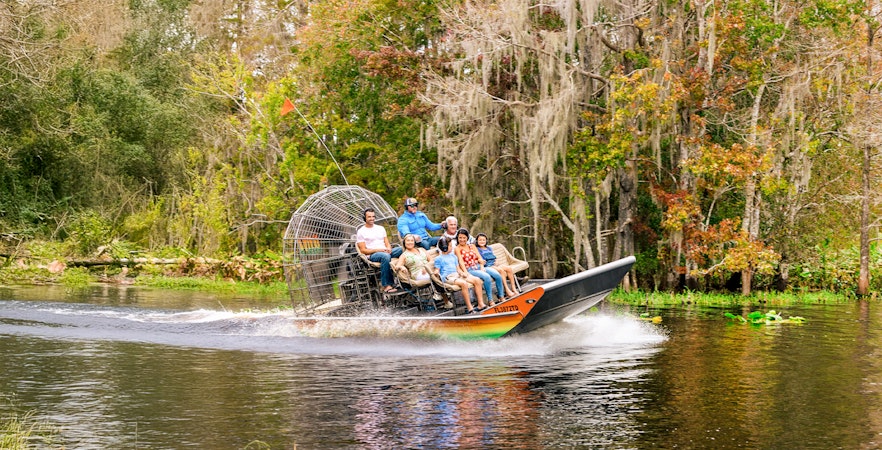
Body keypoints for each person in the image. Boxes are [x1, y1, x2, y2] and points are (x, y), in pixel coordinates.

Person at [433, 236, 487, 313]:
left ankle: (480, 304)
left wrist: (462, 273)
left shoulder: (454, 256)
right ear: (444, 247)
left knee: (477, 280)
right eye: (450, 246)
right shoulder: (438, 258)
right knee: (463, 283)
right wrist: (436, 272)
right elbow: (437, 270)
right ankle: (470, 308)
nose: (452, 247)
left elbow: (458, 269)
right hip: (449, 277)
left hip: (457, 274)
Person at [454, 228, 504, 306]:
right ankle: (490, 300)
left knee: (497, 275)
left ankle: (501, 296)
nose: (462, 239)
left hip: (478, 266)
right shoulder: (457, 248)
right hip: (470, 269)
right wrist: (466, 272)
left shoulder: (472, 246)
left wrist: (481, 267)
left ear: (467, 238)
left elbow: (480, 258)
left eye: (464, 237)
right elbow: (460, 261)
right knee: (486, 277)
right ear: (457, 238)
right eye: (460, 237)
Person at [356, 208, 398, 294]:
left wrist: (389, 248)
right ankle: (387, 285)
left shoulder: (381, 228)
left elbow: (387, 243)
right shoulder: (361, 232)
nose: (372, 218)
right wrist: (379, 250)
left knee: (402, 249)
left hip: (385, 251)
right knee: (385, 257)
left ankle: (405, 280)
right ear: (364, 218)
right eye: (369, 217)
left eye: (373, 216)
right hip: (373, 254)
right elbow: (363, 250)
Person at [475, 233, 519, 297]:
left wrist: (496, 261)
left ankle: (513, 288)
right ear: (477, 241)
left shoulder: (489, 248)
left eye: (483, 240)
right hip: (488, 266)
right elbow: (480, 259)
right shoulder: (477, 249)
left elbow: (494, 257)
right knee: (501, 270)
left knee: (508, 269)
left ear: (486, 241)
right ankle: (507, 290)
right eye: (480, 240)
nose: (482, 241)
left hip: (494, 264)